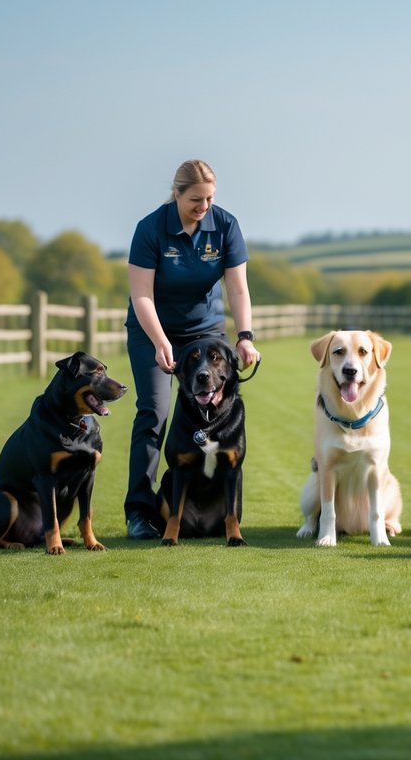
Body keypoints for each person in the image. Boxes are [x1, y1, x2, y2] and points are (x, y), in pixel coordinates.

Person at [124, 159, 261, 540]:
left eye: (210, 198)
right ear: (177, 194)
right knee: (155, 411)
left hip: (205, 330)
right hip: (152, 329)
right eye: (196, 200)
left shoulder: (226, 226)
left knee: (215, 409)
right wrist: (160, 341)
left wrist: (245, 335)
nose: (204, 207)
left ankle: (212, 509)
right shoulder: (151, 229)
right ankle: (139, 511)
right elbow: (141, 295)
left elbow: (237, 288)